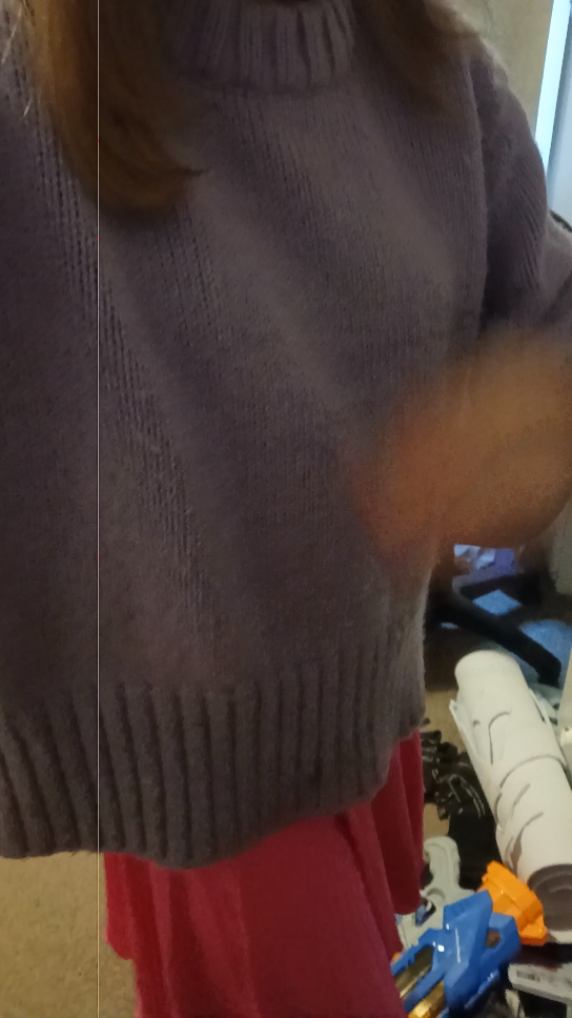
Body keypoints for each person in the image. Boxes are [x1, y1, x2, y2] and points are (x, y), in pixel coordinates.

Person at [0, 0, 571, 1015]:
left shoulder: (439, 76)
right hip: (203, 777)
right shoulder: (27, 91)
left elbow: (548, 320)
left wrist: (542, 411)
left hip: (362, 694)